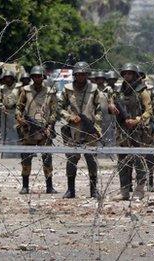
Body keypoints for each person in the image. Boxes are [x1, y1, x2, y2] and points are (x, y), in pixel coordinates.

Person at [109, 63, 153, 200]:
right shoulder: (119, 91)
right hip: (122, 130)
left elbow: (149, 111)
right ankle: (124, 191)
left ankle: (139, 190)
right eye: (125, 73)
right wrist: (111, 105)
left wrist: (137, 120)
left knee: (138, 160)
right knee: (123, 161)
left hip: (137, 131)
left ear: (135, 75)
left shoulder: (142, 91)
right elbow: (111, 101)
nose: (127, 76)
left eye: (130, 73)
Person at [59, 61, 102, 199]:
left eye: (83, 74)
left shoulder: (94, 89)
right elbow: (59, 107)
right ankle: (70, 190)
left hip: (89, 130)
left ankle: (93, 190)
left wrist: (97, 126)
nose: (81, 77)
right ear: (75, 75)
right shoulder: (67, 89)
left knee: (91, 160)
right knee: (71, 160)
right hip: (73, 130)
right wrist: (69, 117)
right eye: (78, 74)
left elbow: (100, 109)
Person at [16, 65, 58, 194]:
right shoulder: (26, 90)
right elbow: (19, 107)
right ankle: (25, 186)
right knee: (26, 159)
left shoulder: (50, 92)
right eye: (34, 76)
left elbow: (54, 111)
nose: (37, 78)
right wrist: (20, 119)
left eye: (39, 76)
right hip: (29, 130)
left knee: (47, 159)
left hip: (44, 130)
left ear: (43, 77)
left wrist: (50, 124)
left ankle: (49, 186)